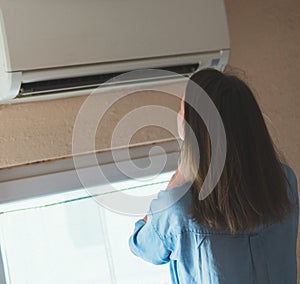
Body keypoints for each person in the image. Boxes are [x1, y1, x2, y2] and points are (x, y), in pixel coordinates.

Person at [128, 69, 299, 284]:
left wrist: (175, 184)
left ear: (194, 127)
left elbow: (141, 245)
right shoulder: (284, 181)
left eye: (181, 108)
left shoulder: (178, 206)